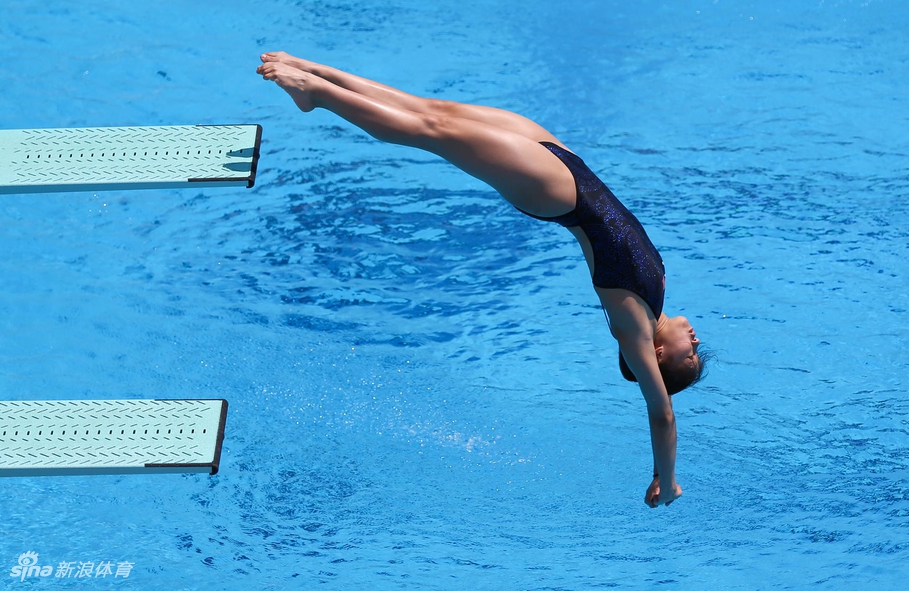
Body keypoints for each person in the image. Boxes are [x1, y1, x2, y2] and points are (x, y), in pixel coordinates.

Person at [256, 52, 708, 507]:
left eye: (690, 355)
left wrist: (664, 479)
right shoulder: (655, 298)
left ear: (658, 354)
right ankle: (319, 74)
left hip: (556, 191)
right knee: (434, 111)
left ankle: (316, 94)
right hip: (569, 166)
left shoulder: (631, 326)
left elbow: (662, 414)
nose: (696, 339)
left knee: (433, 133)